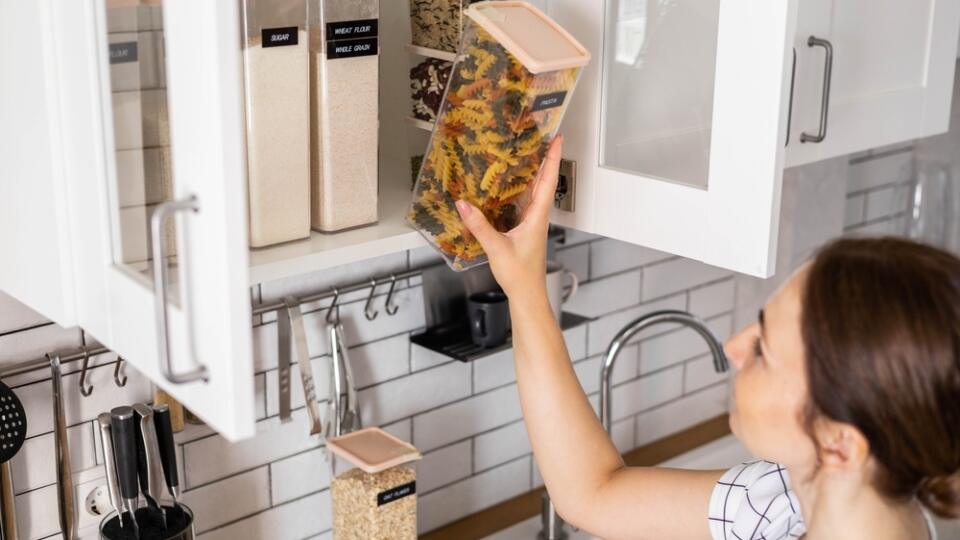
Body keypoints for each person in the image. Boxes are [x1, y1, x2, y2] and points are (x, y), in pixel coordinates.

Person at [453, 136, 960, 539]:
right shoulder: (790, 500)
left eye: (763, 349)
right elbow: (593, 493)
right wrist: (524, 288)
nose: (735, 347)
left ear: (840, 442)